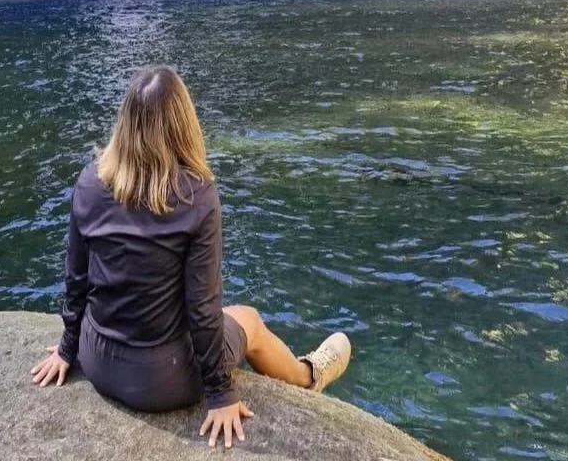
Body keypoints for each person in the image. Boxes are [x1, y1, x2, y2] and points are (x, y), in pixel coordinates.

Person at [31, 65, 351, 449]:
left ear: (125, 122)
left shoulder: (90, 182)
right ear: (183, 124)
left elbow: (76, 278)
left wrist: (68, 347)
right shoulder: (197, 196)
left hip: (98, 360)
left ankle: (304, 373)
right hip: (164, 379)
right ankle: (308, 376)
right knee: (248, 319)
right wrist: (221, 393)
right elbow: (202, 307)